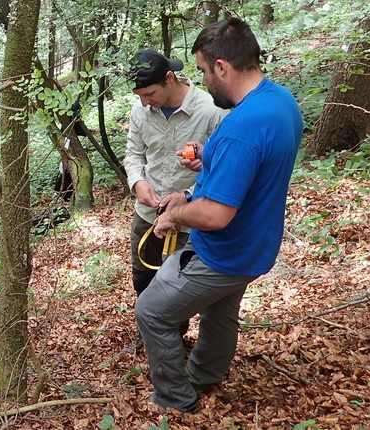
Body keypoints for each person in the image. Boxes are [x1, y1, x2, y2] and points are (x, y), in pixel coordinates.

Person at [135, 18, 303, 414]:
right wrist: (204, 169)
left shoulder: (239, 127)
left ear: (222, 67)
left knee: (151, 311)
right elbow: (250, 173)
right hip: (256, 246)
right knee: (221, 312)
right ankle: (205, 375)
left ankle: (176, 399)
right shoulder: (280, 102)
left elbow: (214, 215)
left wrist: (175, 215)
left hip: (224, 251)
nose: (205, 82)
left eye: (204, 72)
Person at [123, 49, 227, 336]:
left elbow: (225, 167)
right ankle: (152, 338)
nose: (145, 102)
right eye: (139, 95)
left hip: (189, 220)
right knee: (144, 279)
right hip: (147, 215)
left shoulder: (210, 111)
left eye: (150, 93)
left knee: (178, 288)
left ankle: (174, 341)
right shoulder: (141, 110)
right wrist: (137, 182)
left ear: (169, 78)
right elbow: (133, 154)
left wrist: (189, 193)